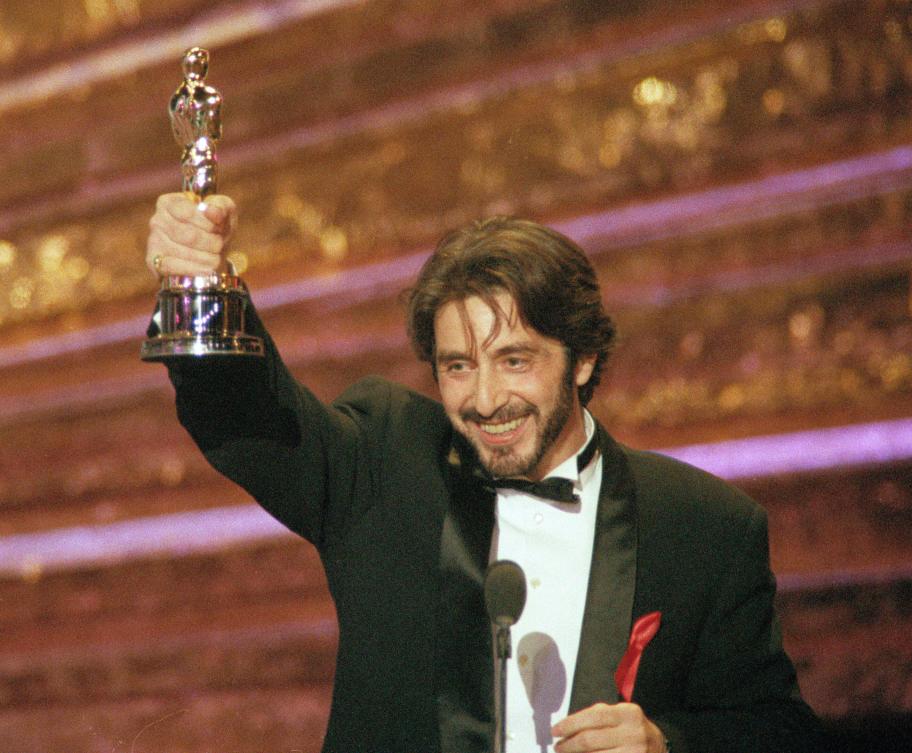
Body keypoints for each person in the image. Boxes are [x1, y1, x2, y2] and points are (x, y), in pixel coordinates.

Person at [145, 193, 829, 753]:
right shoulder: (385, 462)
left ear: (583, 358)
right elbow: (255, 419)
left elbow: (780, 732)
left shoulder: (704, 525)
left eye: (515, 360)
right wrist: (202, 287)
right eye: (457, 366)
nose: (484, 399)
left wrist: (666, 743)